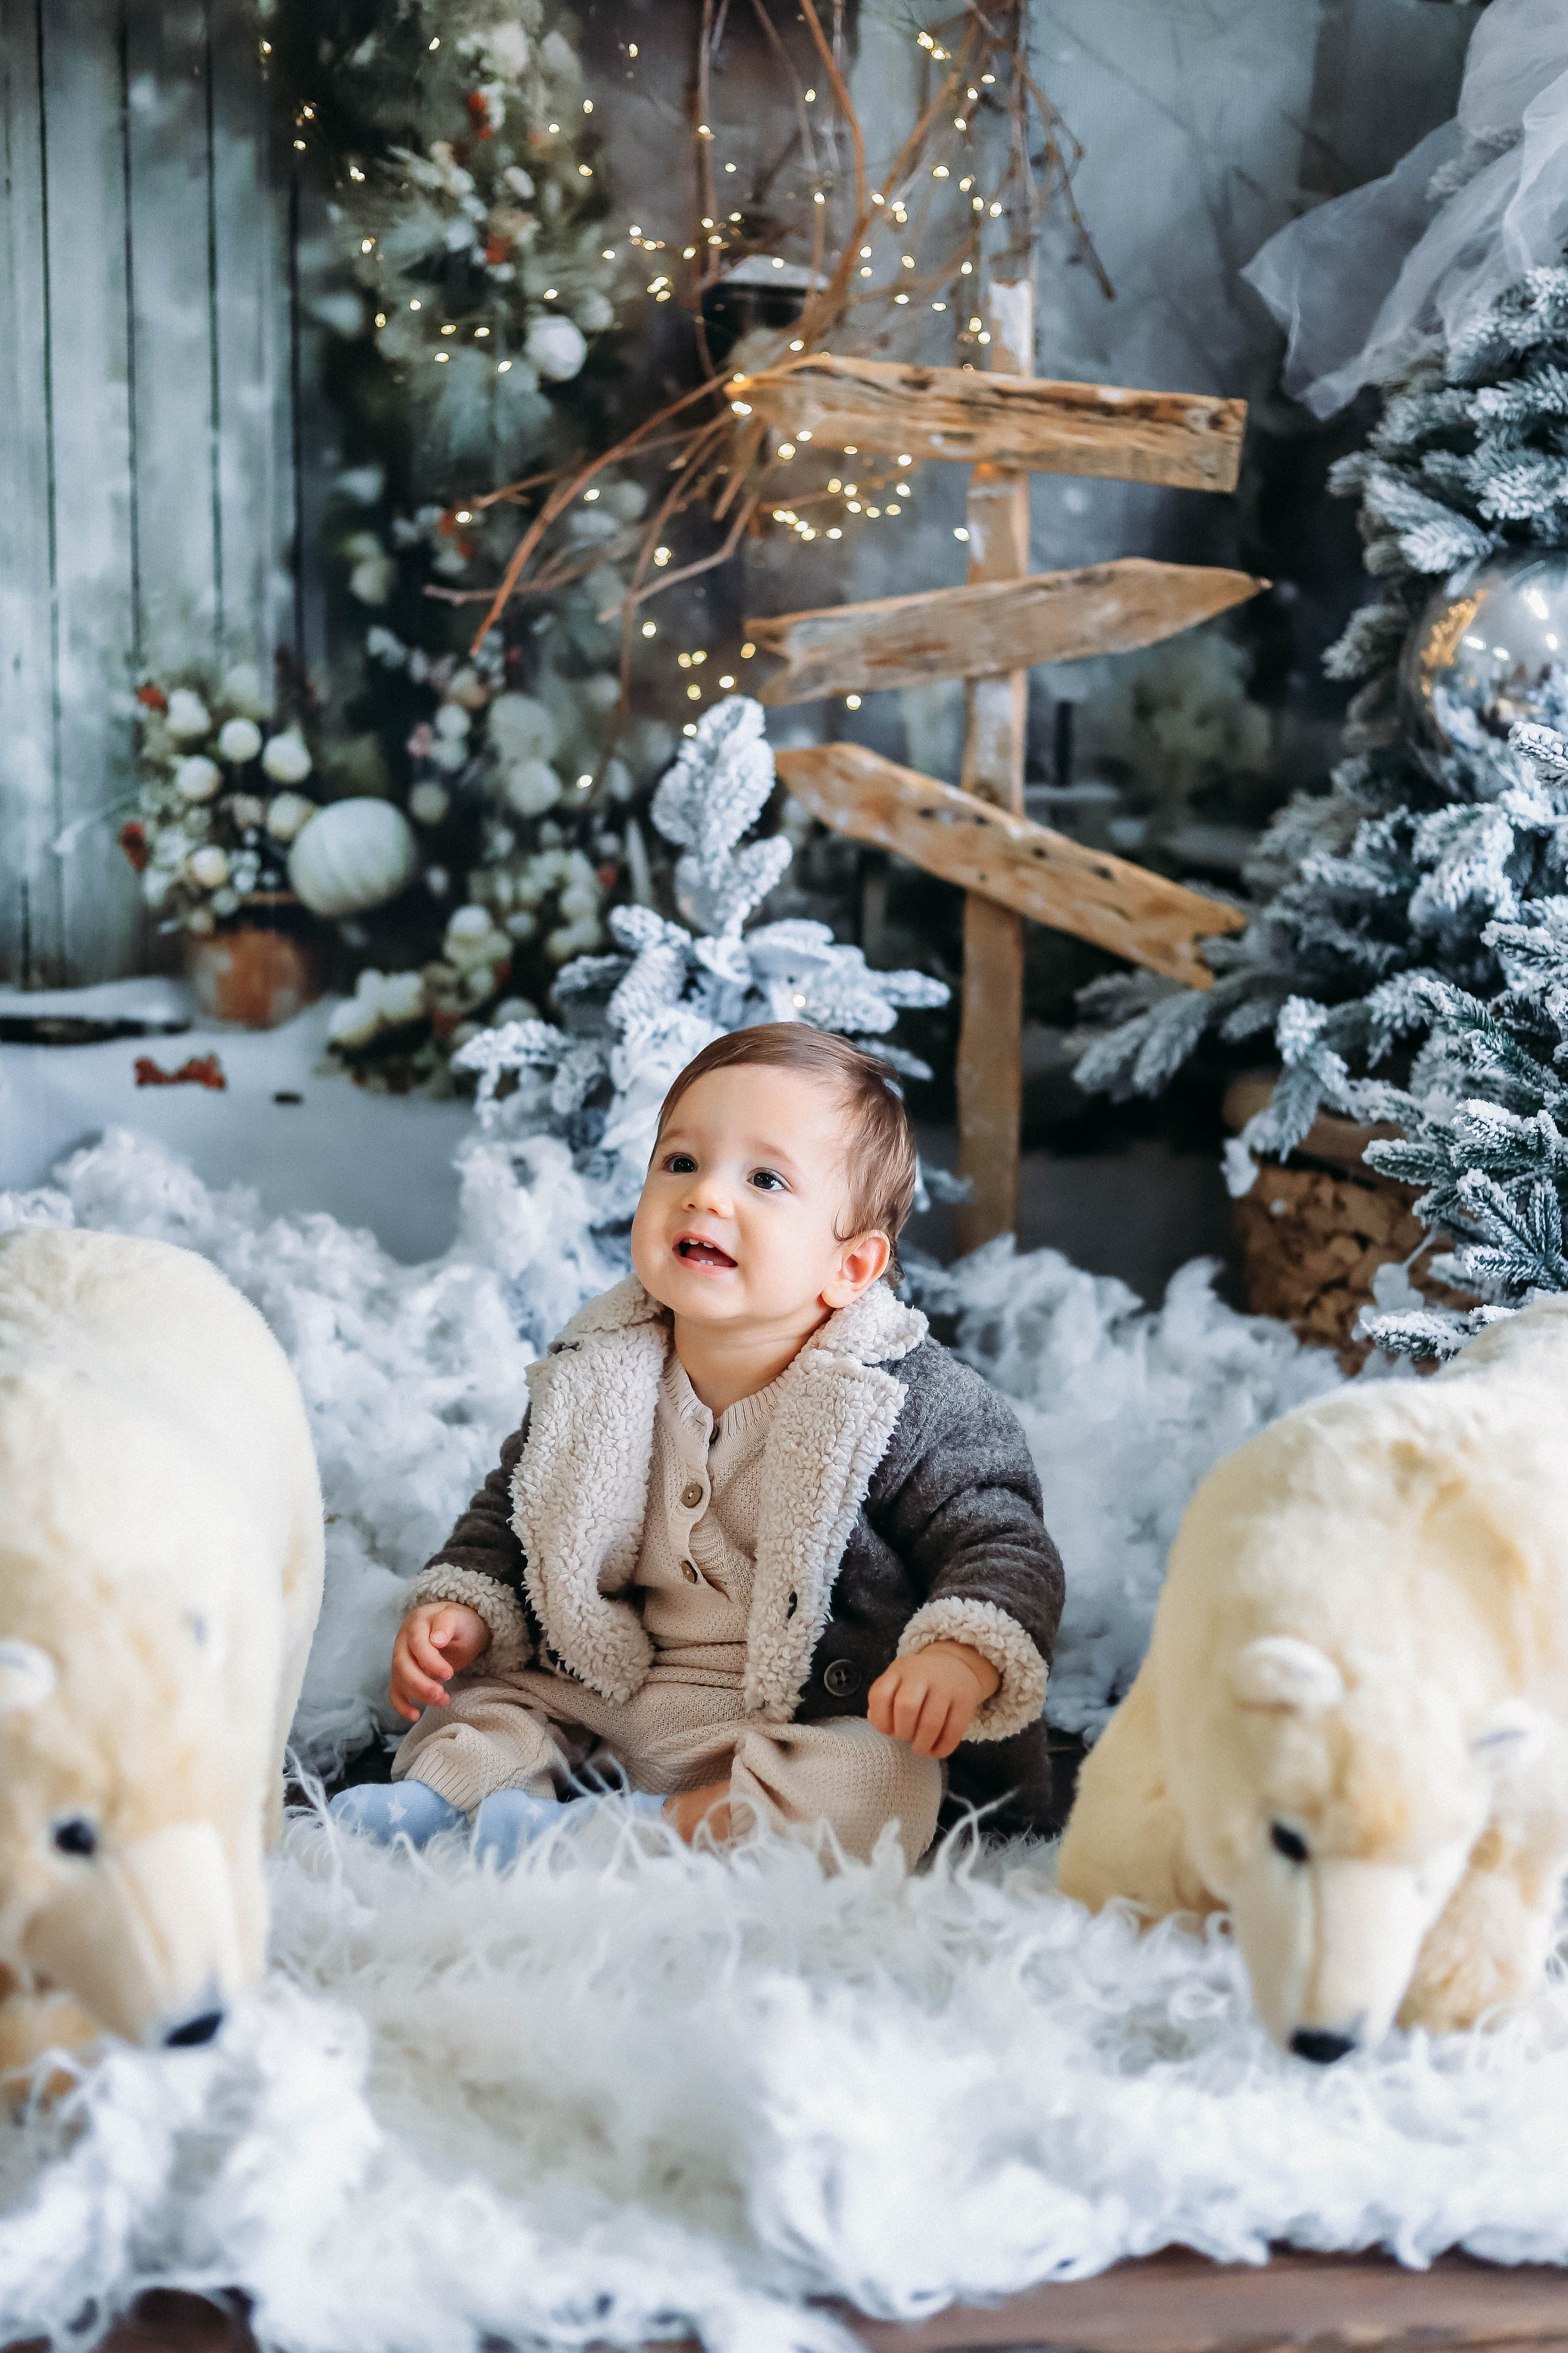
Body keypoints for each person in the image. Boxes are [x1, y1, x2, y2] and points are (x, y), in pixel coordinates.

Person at [333, 1024, 1063, 1868]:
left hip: (789, 1716)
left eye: (765, 1178)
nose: (707, 1196)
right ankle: (435, 1802)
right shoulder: (598, 1368)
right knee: (478, 1697)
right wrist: (464, 1607)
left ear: (853, 1268)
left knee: (882, 1779)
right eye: (680, 1162)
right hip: (611, 1685)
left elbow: (1001, 1538)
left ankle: (635, 1833)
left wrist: (960, 1652)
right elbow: (517, 1507)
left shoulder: (902, 1401)